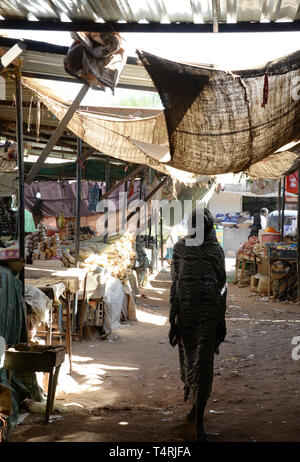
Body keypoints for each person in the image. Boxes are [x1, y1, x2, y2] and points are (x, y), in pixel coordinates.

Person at [168, 208, 227, 441]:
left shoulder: (215, 250)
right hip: (186, 316)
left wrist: (219, 317)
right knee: (188, 363)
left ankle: (200, 418)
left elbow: (222, 285)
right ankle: (195, 404)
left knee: (203, 363)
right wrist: (173, 318)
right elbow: (175, 284)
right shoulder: (179, 249)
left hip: (208, 315)